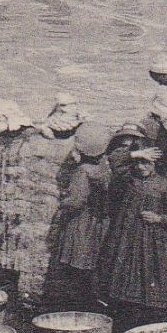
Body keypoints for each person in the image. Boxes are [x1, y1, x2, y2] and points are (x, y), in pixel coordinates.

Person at [96, 137, 167, 333]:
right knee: (124, 284)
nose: (140, 167)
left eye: (146, 162)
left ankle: (152, 331)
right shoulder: (127, 180)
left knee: (153, 287)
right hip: (126, 241)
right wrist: (135, 153)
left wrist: (160, 218)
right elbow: (113, 159)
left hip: (155, 243)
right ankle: (124, 331)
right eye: (137, 162)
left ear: (157, 163)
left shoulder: (165, 185)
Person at [43, 122, 115, 308]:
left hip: (82, 224)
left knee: (77, 264)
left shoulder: (82, 171)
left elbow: (77, 201)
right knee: (93, 264)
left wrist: (62, 205)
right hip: (99, 222)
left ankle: (77, 305)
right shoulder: (104, 168)